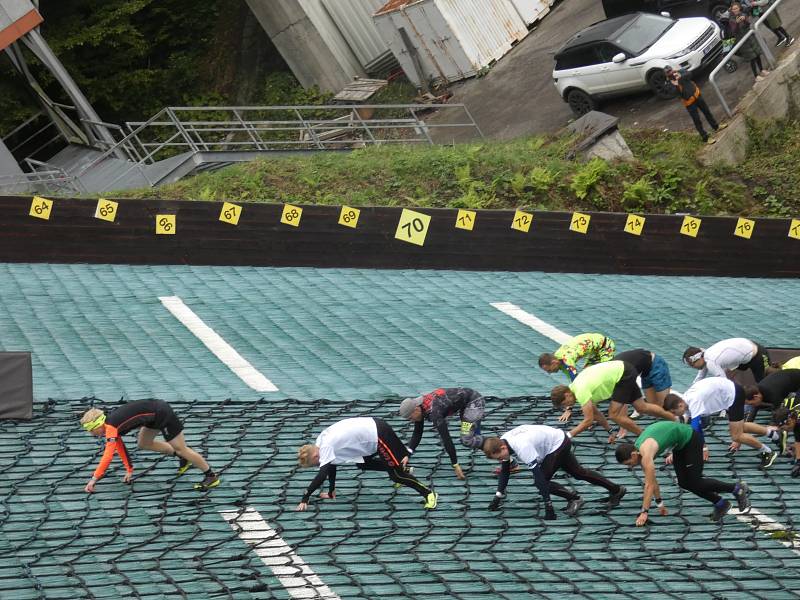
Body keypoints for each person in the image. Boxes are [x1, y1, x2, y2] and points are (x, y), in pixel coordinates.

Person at [615, 421, 751, 524]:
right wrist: (659, 503)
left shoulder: (645, 455)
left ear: (633, 455)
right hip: (679, 445)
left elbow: (649, 486)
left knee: (695, 481)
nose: (631, 467)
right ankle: (721, 503)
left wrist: (644, 512)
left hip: (691, 439)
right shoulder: (640, 453)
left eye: (629, 463)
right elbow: (652, 481)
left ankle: (737, 488)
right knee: (685, 483)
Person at [483, 424, 626, 519]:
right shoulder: (503, 441)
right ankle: (616, 490)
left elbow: (539, 478)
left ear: (502, 448)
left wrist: (548, 506)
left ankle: (574, 499)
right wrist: (498, 496)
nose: (500, 460)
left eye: (499, 457)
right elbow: (505, 470)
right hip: (557, 439)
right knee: (578, 472)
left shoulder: (521, 447)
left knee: (542, 481)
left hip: (557, 445)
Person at [295, 417, 437, 511]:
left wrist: (305, 497)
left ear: (315, 455)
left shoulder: (325, 447)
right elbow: (331, 465)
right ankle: (399, 466)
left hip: (378, 435)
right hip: (371, 431)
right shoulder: (320, 441)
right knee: (363, 464)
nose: (317, 465)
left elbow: (322, 474)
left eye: (315, 464)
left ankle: (429, 494)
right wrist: (332, 492)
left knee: (396, 475)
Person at [80, 400, 219, 493]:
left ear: (98, 424)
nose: (92, 434)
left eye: (91, 430)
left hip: (162, 413)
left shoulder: (110, 427)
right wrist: (129, 469)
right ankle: (183, 458)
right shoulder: (110, 426)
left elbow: (108, 456)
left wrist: (94, 479)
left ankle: (211, 476)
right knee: (143, 443)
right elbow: (119, 446)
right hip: (153, 416)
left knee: (181, 448)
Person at [662, 377, 777, 468]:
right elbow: (689, 428)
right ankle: (774, 434)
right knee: (741, 427)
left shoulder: (693, 401)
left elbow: (695, 429)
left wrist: (703, 449)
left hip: (733, 394)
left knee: (736, 435)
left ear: (680, 405)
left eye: (674, 412)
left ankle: (767, 452)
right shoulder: (685, 401)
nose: (674, 415)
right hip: (730, 391)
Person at [551, 360, 678, 442]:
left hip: (622, 375)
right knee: (641, 407)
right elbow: (595, 414)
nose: (567, 406)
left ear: (567, 394)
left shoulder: (580, 391)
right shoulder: (576, 388)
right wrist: (610, 431)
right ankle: (675, 418)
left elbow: (588, 420)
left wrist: (568, 436)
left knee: (613, 414)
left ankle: (646, 438)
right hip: (624, 369)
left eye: (564, 403)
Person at [399, 387, 486, 480]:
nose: (411, 421)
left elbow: (446, 438)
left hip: (473, 403)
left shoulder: (434, 412)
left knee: (467, 440)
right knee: (472, 437)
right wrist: (407, 454)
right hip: (465, 406)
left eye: (410, 418)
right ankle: (492, 447)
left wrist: (455, 465)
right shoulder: (420, 406)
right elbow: (417, 432)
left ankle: (496, 446)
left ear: (416, 410)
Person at [663, 65, 726, 145]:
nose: (670, 73)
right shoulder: (668, 84)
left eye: (670, 70)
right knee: (697, 120)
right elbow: (673, 93)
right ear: (666, 74)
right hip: (689, 103)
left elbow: (689, 74)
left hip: (697, 95)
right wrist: (675, 84)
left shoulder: (680, 72)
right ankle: (705, 137)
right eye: (668, 72)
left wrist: (680, 76)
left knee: (707, 112)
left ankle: (716, 127)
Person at [743, 367, 800, 452]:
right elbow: (754, 410)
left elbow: (780, 414)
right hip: (791, 382)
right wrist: (742, 431)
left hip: (796, 383)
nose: (752, 405)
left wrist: (773, 427)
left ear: (756, 397)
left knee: (793, 417)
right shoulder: (758, 391)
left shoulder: (771, 393)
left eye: (751, 403)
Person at [683, 337, 771, 384]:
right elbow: (699, 378)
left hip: (758, 354)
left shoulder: (711, 362)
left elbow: (724, 384)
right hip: (745, 353)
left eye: (692, 365)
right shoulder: (706, 354)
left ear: (698, 358)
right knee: (727, 371)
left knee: (764, 384)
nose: (693, 368)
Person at [538, 332, 616, 382]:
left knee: (606, 373)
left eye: (549, 370)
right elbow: (573, 381)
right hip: (594, 352)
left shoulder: (566, 359)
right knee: (588, 376)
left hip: (605, 346)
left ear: (554, 362)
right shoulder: (559, 361)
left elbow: (574, 379)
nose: (549, 373)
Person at [726, 2, 770, 80]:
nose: (735, 10)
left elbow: (748, 24)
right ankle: (756, 76)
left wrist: (745, 20)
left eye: (736, 8)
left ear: (739, 8)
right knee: (752, 58)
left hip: (750, 37)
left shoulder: (743, 14)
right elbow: (734, 31)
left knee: (757, 54)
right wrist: (737, 23)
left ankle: (762, 70)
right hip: (743, 41)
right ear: (732, 10)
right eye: (733, 9)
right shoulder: (731, 20)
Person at [771, 402, 800, 476]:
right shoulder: (794, 416)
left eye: (785, 428)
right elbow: (798, 441)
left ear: (790, 420)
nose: (786, 430)